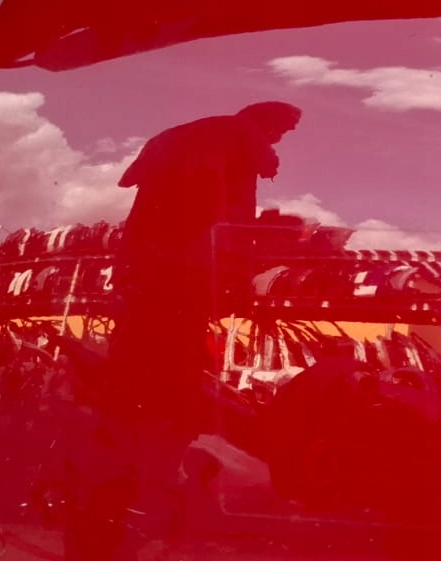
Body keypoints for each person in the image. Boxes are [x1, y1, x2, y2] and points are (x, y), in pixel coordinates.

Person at [108, 101, 302, 445]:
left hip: (143, 258)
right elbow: (226, 202)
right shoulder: (243, 135)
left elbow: (139, 184)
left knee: (136, 342)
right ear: (267, 123)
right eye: (282, 132)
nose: (279, 141)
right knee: (176, 351)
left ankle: (122, 422)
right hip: (188, 264)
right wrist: (240, 253)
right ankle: (163, 431)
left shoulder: (179, 135)